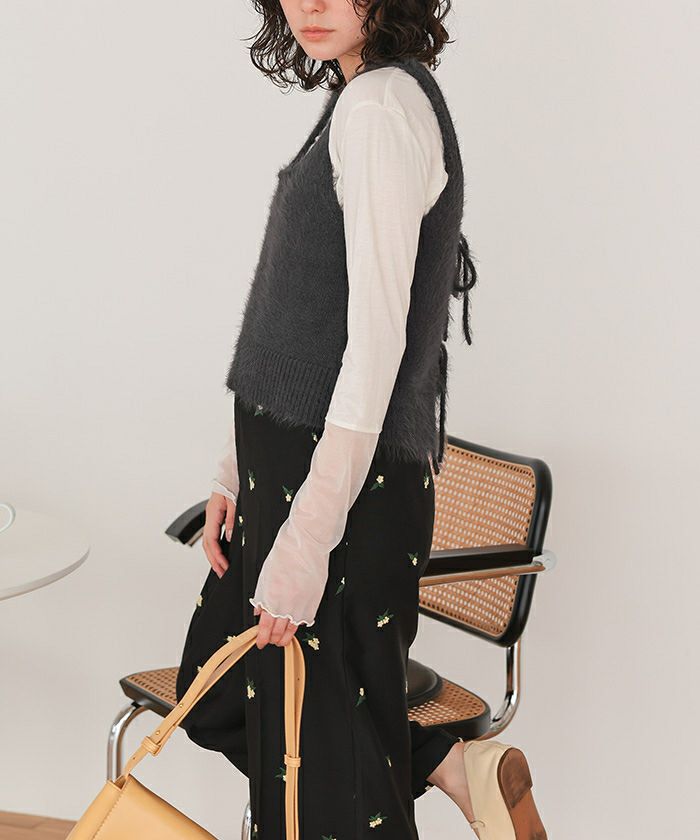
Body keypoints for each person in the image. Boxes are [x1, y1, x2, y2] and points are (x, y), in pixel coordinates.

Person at [175, 2, 547, 838]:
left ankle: (441, 765)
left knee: (334, 796)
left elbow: (376, 342)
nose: (310, 4)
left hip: (338, 487)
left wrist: (308, 538)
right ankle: (449, 763)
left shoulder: (380, 109)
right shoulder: (358, 96)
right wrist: (236, 468)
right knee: (226, 694)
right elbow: (300, 317)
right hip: (291, 469)